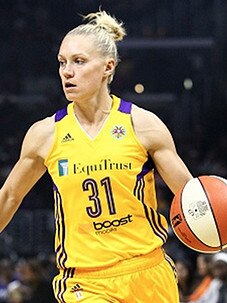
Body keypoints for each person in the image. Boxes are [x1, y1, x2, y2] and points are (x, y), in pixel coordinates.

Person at [0, 9, 193, 303]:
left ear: (108, 67)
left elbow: (193, 199)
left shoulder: (143, 126)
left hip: (148, 273)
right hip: (85, 282)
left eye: (79, 62)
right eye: (62, 62)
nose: (67, 71)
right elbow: (10, 196)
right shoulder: (45, 135)